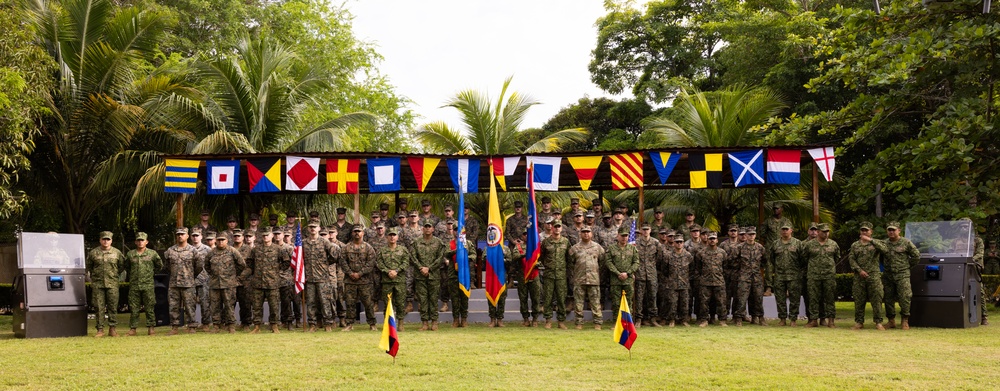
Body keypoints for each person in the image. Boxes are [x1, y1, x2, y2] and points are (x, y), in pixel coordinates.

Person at [872, 221, 921, 329]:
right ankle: (891, 320)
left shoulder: (906, 243)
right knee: (888, 298)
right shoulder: (884, 243)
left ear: (899, 230)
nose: (891, 232)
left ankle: (905, 320)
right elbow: (880, 257)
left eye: (893, 230)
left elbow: (916, 256)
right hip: (888, 275)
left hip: (902, 275)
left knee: (905, 297)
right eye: (889, 230)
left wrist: (907, 267)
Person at [204, 232, 250, 333]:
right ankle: (216, 325)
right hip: (215, 284)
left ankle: (231, 325)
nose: (220, 242)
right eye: (219, 240)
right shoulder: (212, 252)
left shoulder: (232, 251)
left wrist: (233, 275)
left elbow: (242, 264)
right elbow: (206, 265)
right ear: (216, 240)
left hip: (229, 284)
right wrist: (213, 274)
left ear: (227, 241)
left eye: (222, 240)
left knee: (229, 305)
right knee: (215, 306)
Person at [247, 229, 288, 333]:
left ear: (272, 236)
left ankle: (274, 325)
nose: (265, 237)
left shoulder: (278, 249)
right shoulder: (256, 250)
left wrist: (276, 270)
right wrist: (255, 273)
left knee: (274, 306)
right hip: (258, 283)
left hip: (272, 282)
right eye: (264, 235)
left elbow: (286, 262)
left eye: (267, 235)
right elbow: (250, 262)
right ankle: (257, 326)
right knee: (256, 306)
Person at [302, 220, 339, 332]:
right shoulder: (303, 243)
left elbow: (334, 255)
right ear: (308, 229)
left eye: (315, 227)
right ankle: (312, 324)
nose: (313, 229)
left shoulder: (324, 242)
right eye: (311, 227)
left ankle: (327, 323)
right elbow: (299, 259)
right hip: (309, 277)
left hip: (322, 277)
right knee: (311, 302)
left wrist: (326, 263)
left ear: (319, 228)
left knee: (325, 301)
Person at [847, 222, 885, 330]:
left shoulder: (876, 243)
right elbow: (852, 259)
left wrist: (870, 240)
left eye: (866, 230)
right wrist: (859, 270)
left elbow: (885, 250)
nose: (864, 232)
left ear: (871, 232)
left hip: (873, 276)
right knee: (859, 299)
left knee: (876, 299)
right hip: (859, 276)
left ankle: (878, 322)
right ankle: (859, 322)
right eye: (862, 230)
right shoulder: (855, 245)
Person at [124, 232, 163, 336]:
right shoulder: (130, 254)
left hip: (148, 284)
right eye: (139, 240)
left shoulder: (152, 254)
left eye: (142, 240)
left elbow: (159, 266)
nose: (141, 242)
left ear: (146, 242)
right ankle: (133, 329)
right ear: (136, 242)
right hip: (134, 285)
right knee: (133, 308)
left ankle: (151, 328)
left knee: (150, 307)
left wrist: (150, 273)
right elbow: (127, 266)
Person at [87, 231, 125, 337]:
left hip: (112, 284)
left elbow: (121, 266)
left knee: (113, 306)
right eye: (104, 239)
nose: (106, 241)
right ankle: (100, 329)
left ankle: (112, 329)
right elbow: (89, 266)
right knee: (99, 307)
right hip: (98, 284)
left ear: (111, 241)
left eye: (108, 239)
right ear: (100, 240)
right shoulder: (93, 253)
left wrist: (113, 275)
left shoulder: (117, 253)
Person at [410, 220, 447, 330]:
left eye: (429, 227)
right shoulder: (416, 242)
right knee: (423, 299)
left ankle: (434, 322)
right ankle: (425, 323)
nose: (427, 229)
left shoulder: (439, 242)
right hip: (420, 275)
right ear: (422, 229)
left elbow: (440, 258)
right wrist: (421, 268)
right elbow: (413, 257)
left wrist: (429, 268)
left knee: (433, 299)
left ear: (433, 229)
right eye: (425, 227)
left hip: (434, 275)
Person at [164, 227, 201, 334]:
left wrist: (190, 275)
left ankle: (192, 327)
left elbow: (198, 267)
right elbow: (167, 266)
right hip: (174, 283)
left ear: (187, 236)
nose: (180, 236)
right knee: (173, 306)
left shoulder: (193, 251)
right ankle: (174, 327)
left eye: (182, 234)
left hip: (188, 283)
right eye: (178, 234)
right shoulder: (170, 251)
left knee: (190, 306)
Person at [767, 223, 806, 326]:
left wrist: (798, 271)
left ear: (791, 230)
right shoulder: (775, 244)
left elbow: (803, 259)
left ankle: (793, 319)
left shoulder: (798, 243)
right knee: (780, 298)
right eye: (783, 229)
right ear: (780, 231)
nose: (784, 231)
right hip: (780, 275)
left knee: (794, 298)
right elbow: (772, 259)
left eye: (786, 229)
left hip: (794, 276)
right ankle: (782, 319)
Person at [340, 225, 377, 331]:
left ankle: (372, 324)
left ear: (363, 233)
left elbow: (371, 263)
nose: (357, 233)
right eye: (355, 231)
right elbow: (343, 262)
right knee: (350, 303)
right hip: (350, 280)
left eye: (359, 231)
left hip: (365, 281)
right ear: (352, 233)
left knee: (368, 303)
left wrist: (360, 273)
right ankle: (349, 324)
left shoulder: (368, 248)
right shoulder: (346, 248)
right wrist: (350, 273)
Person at [803, 223, 840, 328]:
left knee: (830, 298)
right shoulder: (809, 244)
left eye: (827, 231)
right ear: (818, 232)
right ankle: (813, 320)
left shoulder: (833, 244)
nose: (826, 233)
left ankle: (831, 321)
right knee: (813, 298)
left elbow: (836, 257)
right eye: (823, 231)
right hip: (813, 276)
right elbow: (804, 258)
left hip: (829, 275)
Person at [568, 226, 605, 330]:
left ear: (591, 234)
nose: (586, 234)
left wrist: (596, 273)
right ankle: (579, 323)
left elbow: (602, 262)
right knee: (578, 303)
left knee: (595, 303)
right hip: (579, 279)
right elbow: (570, 264)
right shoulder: (574, 248)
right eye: (583, 232)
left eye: (588, 232)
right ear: (580, 234)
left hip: (593, 279)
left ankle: (597, 323)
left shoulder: (597, 247)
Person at [377, 227, 410, 331]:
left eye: (394, 235)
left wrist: (397, 271)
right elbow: (379, 263)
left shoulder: (403, 250)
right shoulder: (382, 250)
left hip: (399, 280)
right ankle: (388, 324)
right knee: (387, 303)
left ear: (397, 237)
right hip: (387, 281)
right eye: (390, 235)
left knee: (400, 302)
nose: (392, 237)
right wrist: (388, 271)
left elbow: (406, 262)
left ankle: (400, 323)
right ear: (387, 237)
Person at [540, 220, 571, 329]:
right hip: (549, 274)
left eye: (559, 226)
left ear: (561, 228)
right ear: (551, 228)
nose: (557, 228)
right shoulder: (546, 242)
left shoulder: (566, 242)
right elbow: (542, 257)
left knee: (561, 298)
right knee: (548, 298)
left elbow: (569, 258)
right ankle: (548, 320)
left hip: (561, 275)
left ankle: (561, 321)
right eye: (555, 226)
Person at [445, 225, 477, 327]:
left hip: (465, 273)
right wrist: (457, 250)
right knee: (454, 298)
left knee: (464, 297)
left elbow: (474, 255)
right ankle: (455, 319)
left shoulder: (468, 243)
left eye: (459, 230)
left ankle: (464, 319)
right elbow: (446, 254)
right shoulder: (449, 244)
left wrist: (465, 257)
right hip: (453, 274)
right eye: (455, 230)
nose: (457, 232)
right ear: (453, 232)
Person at [734, 227, 765, 326]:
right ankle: (739, 318)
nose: (751, 236)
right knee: (742, 298)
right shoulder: (740, 247)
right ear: (746, 235)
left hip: (756, 277)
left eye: (753, 234)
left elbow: (765, 261)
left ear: (755, 235)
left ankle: (759, 317)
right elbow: (732, 260)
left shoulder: (760, 248)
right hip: (744, 277)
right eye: (749, 234)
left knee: (757, 298)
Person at [634, 223, 663, 327]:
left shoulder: (656, 243)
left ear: (650, 230)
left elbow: (660, 258)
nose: (645, 231)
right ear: (641, 231)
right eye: (644, 229)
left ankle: (653, 318)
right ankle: (639, 319)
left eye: (647, 229)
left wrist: (653, 268)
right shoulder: (635, 243)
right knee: (639, 298)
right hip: (639, 274)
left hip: (652, 274)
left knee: (653, 297)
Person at [606, 226, 639, 317]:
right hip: (616, 279)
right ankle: (617, 322)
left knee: (628, 302)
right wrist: (617, 273)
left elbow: (636, 262)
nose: (624, 238)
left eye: (626, 236)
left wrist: (627, 273)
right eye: (622, 236)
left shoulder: (632, 249)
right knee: (616, 303)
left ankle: (628, 323)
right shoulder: (611, 248)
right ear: (618, 236)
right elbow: (608, 262)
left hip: (628, 280)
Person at [510, 230, 541, 327]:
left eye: (528, 234)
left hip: (534, 274)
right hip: (522, 275)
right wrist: (526, 254)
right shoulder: (518, 246)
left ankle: (535, 319)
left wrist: (535, 262)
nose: (527, 236)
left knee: (535, 297)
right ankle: (526, 319)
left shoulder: (536, 246)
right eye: (524, 234)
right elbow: (514, 257)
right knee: (523, 297)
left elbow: (541, 260)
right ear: (522, 236)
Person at [696, 232, 727, 327]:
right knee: (704, 302)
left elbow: (725, 266)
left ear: (717, 240)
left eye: (714, 239)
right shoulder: (701, 253)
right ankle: (704, 320)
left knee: (721, 301)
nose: (712, 240)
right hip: (705, 281)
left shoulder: (722, 252)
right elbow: (698, 267)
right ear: (707, 240)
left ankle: (722, 320)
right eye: (710, 239)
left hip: (719, 281)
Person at [664, 235, 693, 327]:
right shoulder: (668, 255)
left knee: (684, 303)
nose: (679, 244)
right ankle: (672, 320)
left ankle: (683, 320)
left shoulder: (688, 255)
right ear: (674, 243)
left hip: (684, 283)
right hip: (672, 283)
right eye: (677, 242)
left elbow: (692, 269)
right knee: (672, 303)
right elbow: (664, 269)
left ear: (683, 243)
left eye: (681, 242)